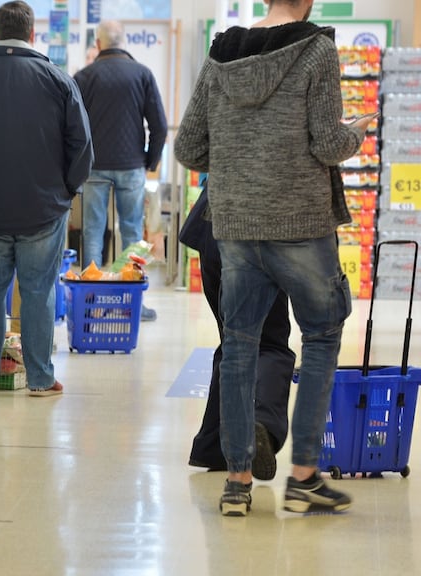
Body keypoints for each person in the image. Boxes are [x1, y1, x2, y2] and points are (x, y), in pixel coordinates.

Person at [174, 0, 374, 516]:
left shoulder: (221, 53)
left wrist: (242, 157)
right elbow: (328, 143)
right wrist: (357, 131)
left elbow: (191, 146)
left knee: (239, 347)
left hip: (237, 226)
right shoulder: (316, 50)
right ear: (309, 1)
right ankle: (304, 477)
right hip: (300, 226)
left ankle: (237, 482)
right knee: (324, 335)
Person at [0, 0, 93, 397]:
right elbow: (82, 145)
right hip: (43, 209)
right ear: (32, 34)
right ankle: (40, 379)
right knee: (40, 292)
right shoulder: (58, 80)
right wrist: (66, 191)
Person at [180, 177, 296, 482]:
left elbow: (193, 149)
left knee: (235, 340)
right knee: (270, 343)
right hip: (260, 228)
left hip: (213, 223)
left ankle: (213, 446)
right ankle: (261, 423)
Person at [73, 20, 167, 322]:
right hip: (131, 166)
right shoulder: (142, 74)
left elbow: (72, 126)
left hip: (94, 167)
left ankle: (90, 298)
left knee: (93, 232)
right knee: (131, 233)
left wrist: (78, 163)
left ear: (98, 44)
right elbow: (160, 126)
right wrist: (149, 161)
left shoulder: (84, 77)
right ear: (123, 42)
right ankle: (132, 302)